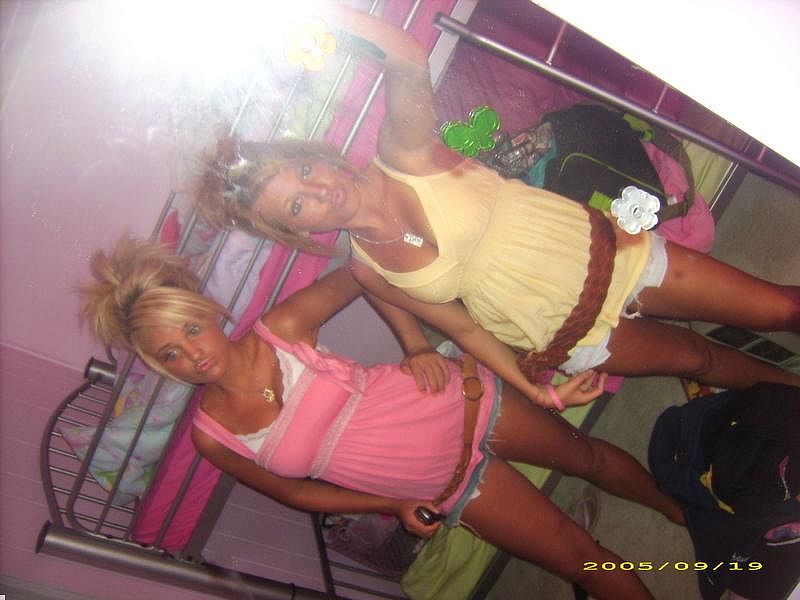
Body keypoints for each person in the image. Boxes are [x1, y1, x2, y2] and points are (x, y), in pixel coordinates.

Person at [193, 5, 800, 410]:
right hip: (559, 331)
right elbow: (463, 328)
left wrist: (318, 17)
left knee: (778, 307)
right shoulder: (366, 270)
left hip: (604, 253)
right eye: (297, 204)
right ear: (294, 230)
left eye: (305, 172)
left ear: (316, 156)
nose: (319, 191)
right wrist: (534, 390)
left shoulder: (402, 151)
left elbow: (406, 56)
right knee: (698, 358)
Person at [81, 235, 686, 600]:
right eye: (170, 354)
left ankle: (681, 511)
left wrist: (415, 343)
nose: (192, 355)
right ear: (158, 366)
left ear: (210, 313)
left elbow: (364, 265)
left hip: (462, 403)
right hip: (444, 487)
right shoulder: (210, 437)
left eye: (191, 329)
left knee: (587, 457)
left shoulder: (281, 328)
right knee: (577, 557)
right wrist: (388, 505)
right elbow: (297, 492)